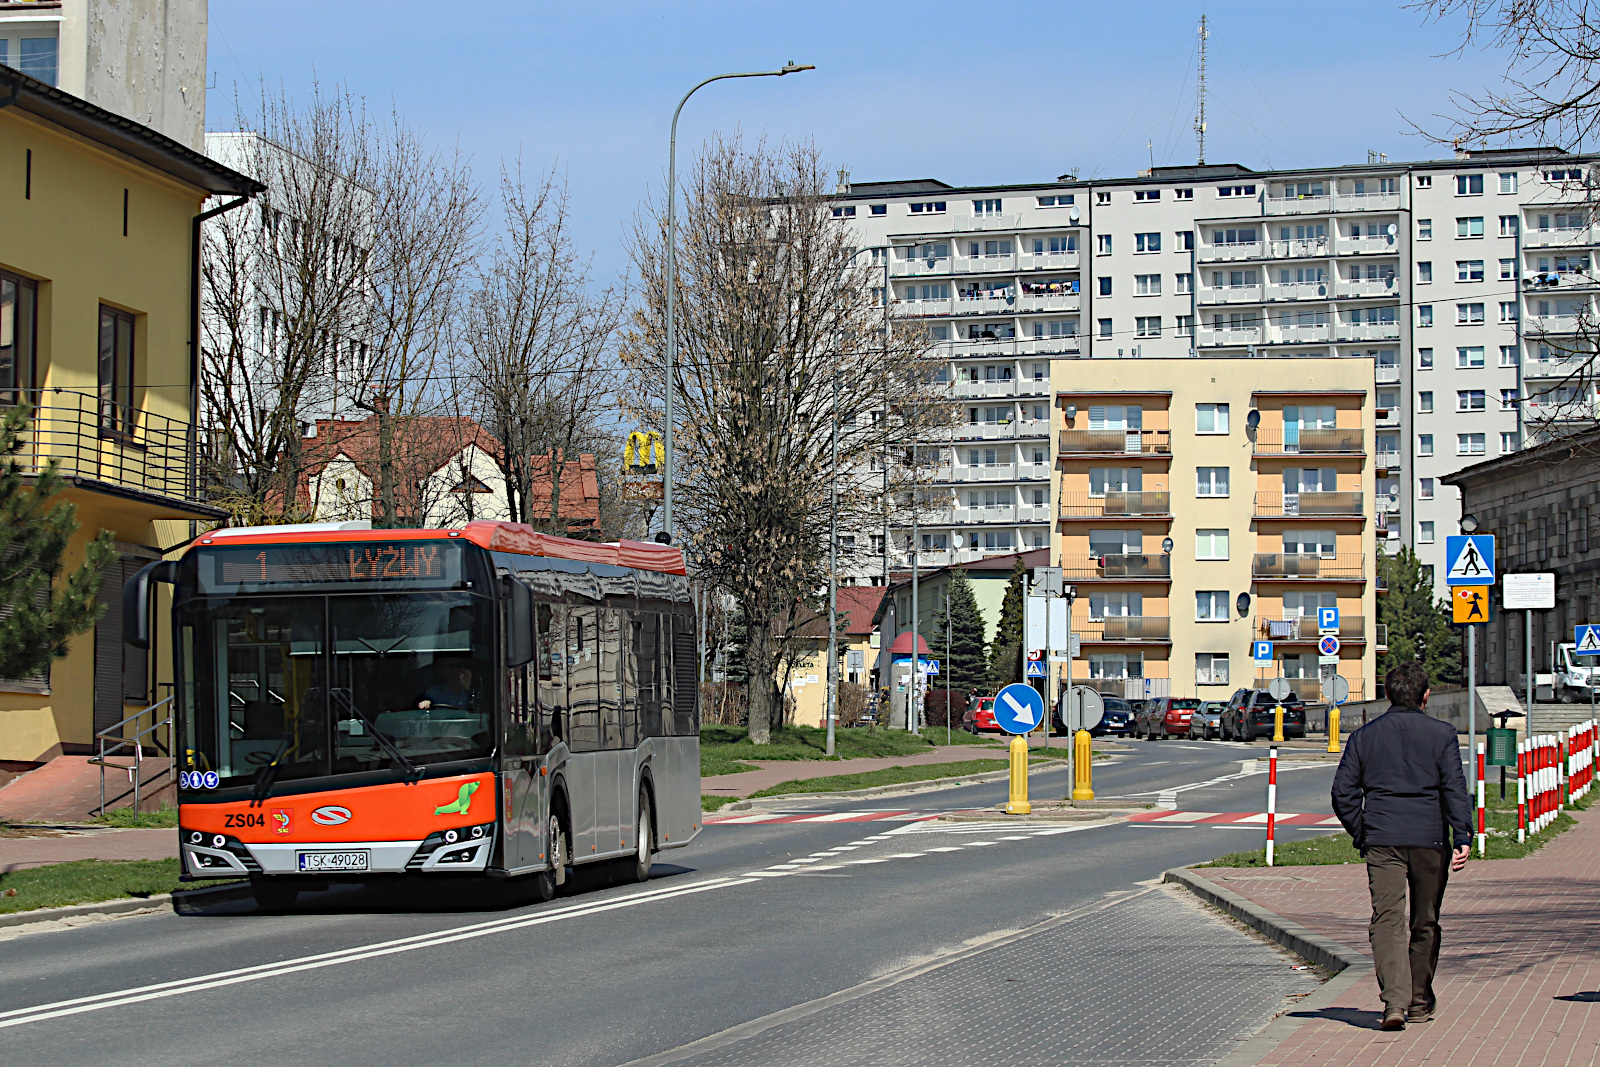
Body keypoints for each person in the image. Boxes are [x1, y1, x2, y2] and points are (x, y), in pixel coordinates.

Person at [1331, 661, 1472, 1031]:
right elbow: (1454, 788)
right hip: (1431, 840)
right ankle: (1420, 1000)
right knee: (1425, 921)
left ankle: (1395, 1001)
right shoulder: (1442, 734)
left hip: (1383, 840)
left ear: (1388, 695)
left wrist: (1363, 831)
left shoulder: (1365, 736)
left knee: (1387, 919)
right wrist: (1463, 835)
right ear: (1426, 696)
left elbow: (1343, 793)